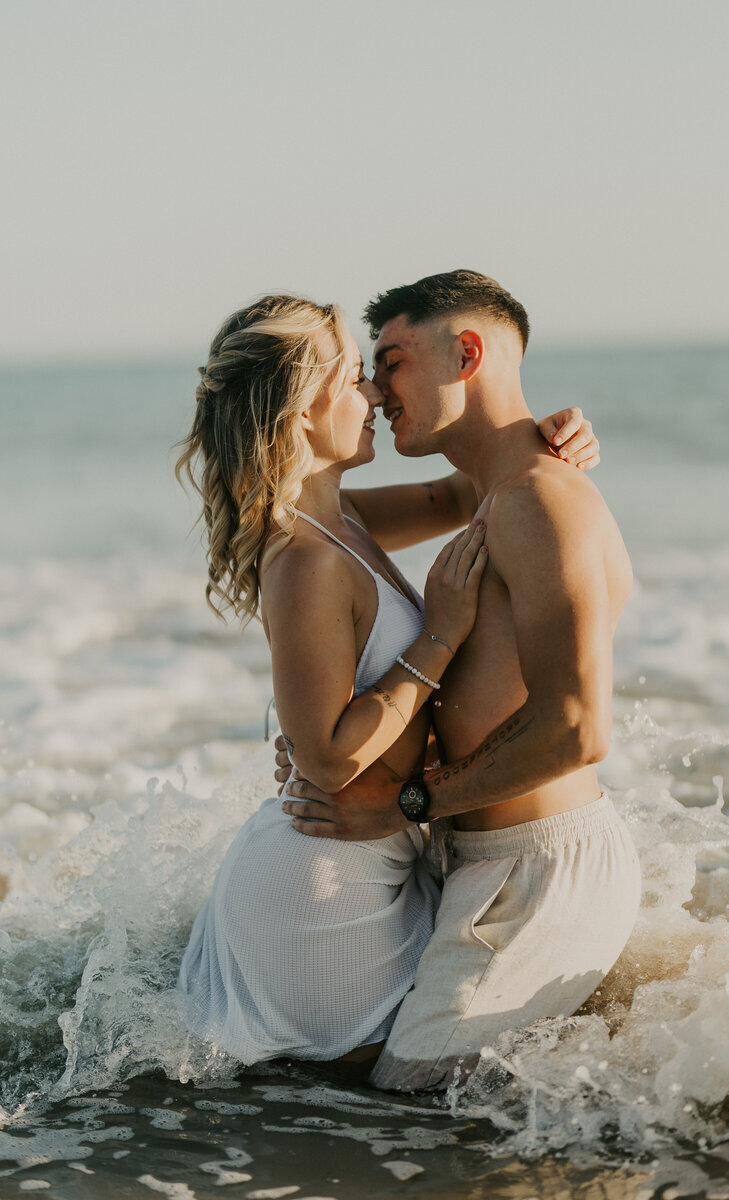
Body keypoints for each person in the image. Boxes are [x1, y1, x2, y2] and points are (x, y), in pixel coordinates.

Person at [174, 292, 598, 1071]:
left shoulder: (343, 520)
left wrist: (554, 433)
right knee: (368, 1120)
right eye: (354, 378)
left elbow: (470, 491)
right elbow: (333, 760)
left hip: (371, 863)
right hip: (325, 893)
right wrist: (437, 635)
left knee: (380, 1112)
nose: (374, 394)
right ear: (303, 410)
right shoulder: (304, 559)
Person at [279, 270, 642, 1091]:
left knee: (412, 1111)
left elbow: (579, 727)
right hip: (472, 857)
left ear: (467, 353)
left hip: (535, 870)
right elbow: (321, 524)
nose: (375, 386)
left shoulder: (539, 502)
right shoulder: (493, 495)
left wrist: (404, 801)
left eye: (393, 360)